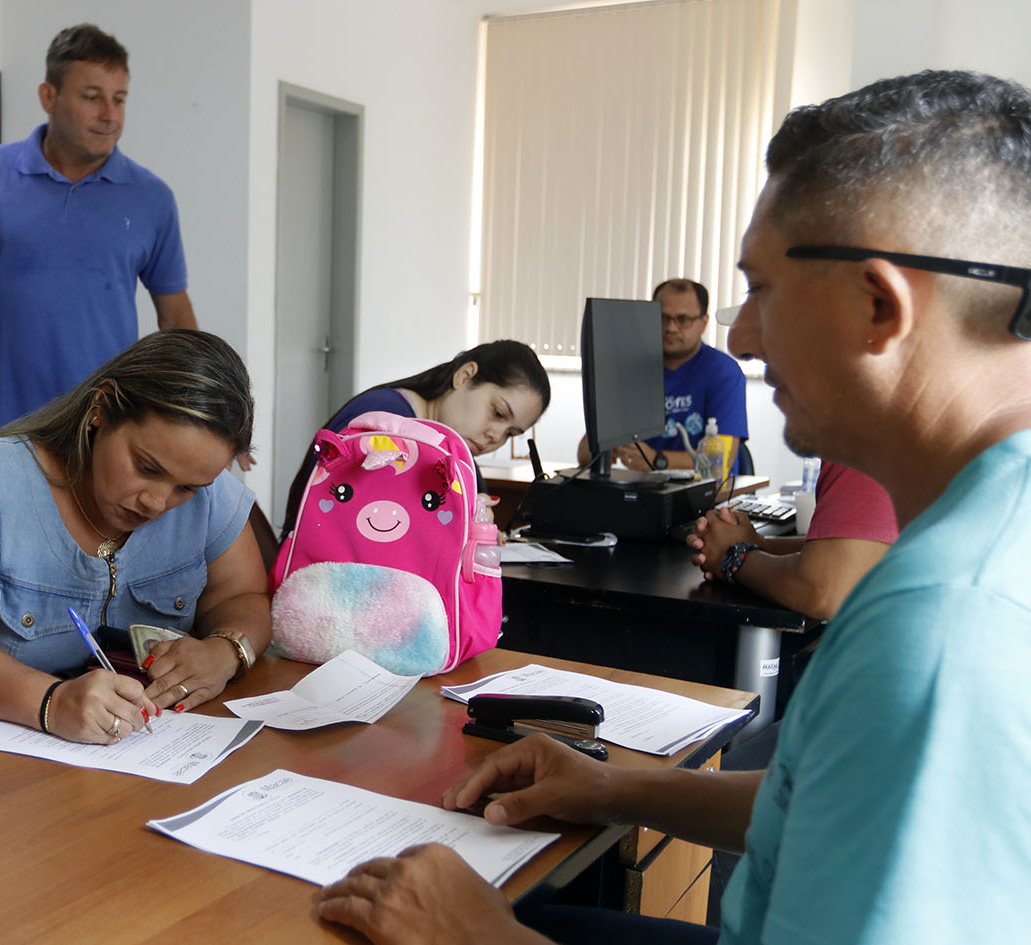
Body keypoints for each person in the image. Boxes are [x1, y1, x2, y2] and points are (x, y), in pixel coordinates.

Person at [316, 69, 1031, 944]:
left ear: (878, 305)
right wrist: (615, 785)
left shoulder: (942, 626)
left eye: (760, 290)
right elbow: (832, 803)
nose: (739, 339)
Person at [0, 330, 269, 741]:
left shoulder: (209, 492)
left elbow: (243, 598)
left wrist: (226, 651)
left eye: (187, 488)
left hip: (134, 757)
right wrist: (53, 702)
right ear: (102, 408)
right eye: (147, 467)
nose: (157, 502)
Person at [0, 22, 198, 486]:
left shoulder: (152, 197)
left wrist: (202, 415)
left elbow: (178, 318)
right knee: (5, 558)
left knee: (100, 557)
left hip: (110, 431)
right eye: (92, 96)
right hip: (9, 432)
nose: (109, 114)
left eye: (119, 99)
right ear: (49, 96)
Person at [279, 340, 551, 535]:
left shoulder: (458, 455)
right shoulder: (386, 419)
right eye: (498, 412)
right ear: (465, 376)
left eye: (510, 433)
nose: (496, 436)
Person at [686, 461, 898, 621]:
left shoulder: (861, 439)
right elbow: (853, 549)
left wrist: (733, 556)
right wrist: (760, 545)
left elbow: (823, 588)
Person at [577, 279, 748, 471]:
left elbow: (721, 458)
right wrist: (608, 449)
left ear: (703, 322)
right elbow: (584, 455)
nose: (671, 328)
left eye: (683, 320)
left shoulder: (723, 372)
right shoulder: (631, 371)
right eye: (663, 317)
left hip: (708, 493)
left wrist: (657, 460)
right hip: (644, 491)